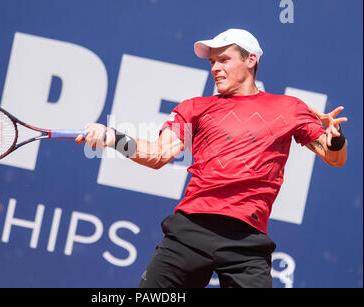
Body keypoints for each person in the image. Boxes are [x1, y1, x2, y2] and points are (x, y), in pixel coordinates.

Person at [75, 28, 348, 288]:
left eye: (224, 60)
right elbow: (158, 155)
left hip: (247, 242)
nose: (216, 68)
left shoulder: (289, 108)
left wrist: (337, 139)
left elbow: (334, 157)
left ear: (250, 60)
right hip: (191, 231)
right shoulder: (194, 108)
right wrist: (112, 137)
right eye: (213, 62)